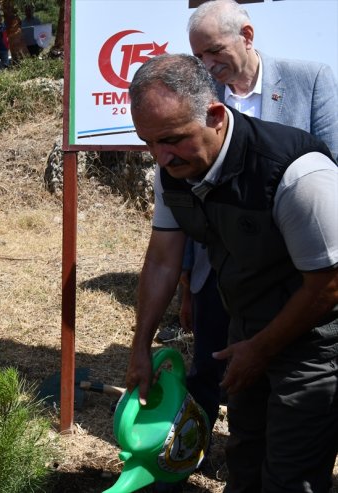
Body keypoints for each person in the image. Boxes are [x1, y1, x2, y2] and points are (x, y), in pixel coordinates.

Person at [125, 53, 338, 492]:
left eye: (172, 139)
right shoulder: (174, 172)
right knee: (244, 460)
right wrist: (140, 345)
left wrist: (262, 348)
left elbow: (330, 283)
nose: (161, 156)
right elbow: (164, 259)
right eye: (149, 143)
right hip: (246, 333)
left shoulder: (297, 175)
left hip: (317, 341)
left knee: (290, 477)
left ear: (217, 115)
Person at [161, 0, 338, 442]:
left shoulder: (310, 80)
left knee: (287, 378)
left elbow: (331, 166)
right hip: (217, 268)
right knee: (212, 366)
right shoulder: (200, 97)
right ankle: (189, 453)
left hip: (295, 270)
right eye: (198, 56)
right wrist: (186, 281)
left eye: (215, 51)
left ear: (248, 36)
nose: (207, 64)